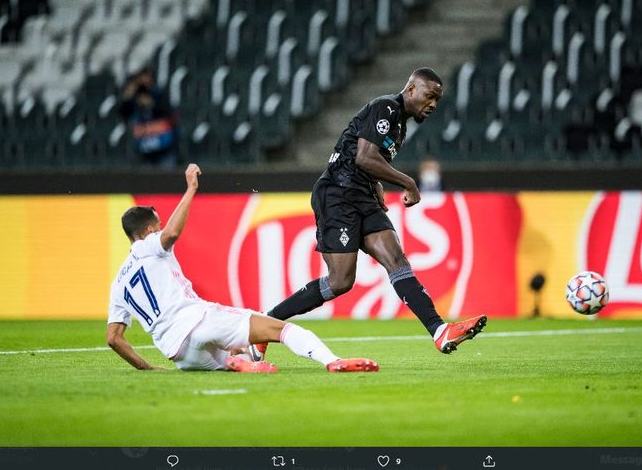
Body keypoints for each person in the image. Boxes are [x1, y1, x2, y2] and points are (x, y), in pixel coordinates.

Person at [254, 68, 486, 361]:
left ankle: (439, 331)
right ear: (411, 89)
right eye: (430, 96)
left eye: (438, 99)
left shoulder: (399, 124)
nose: (434, 105)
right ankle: (263, 324)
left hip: (361, 194)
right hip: (337, 193)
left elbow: (362, 155)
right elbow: (364, 156)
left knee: (397, 260)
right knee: (340, 282)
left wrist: (376, 182)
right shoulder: (386, 107)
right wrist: (408, 182)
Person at [106, 163, 378, 373]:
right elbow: (172, 234)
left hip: (179, 354)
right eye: (159, 224)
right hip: (196, 320)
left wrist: (147, 368)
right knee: (282, 330)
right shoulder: (147, 245)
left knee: (240, 354)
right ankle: (332, 361)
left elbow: (114, 339)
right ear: (150, 229)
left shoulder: (119, 282)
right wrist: (191, 189)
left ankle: (238, 361)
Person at [119, 67, 179, 168]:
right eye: (139, 78)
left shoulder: (159, 93)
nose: (142, 80)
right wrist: (128, 95)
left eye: (144, 76)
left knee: (167, 180)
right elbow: (123, 113)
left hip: (164, 150)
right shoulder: (134, 98)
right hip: (144, 151)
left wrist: (151, 104)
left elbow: (168, 112)